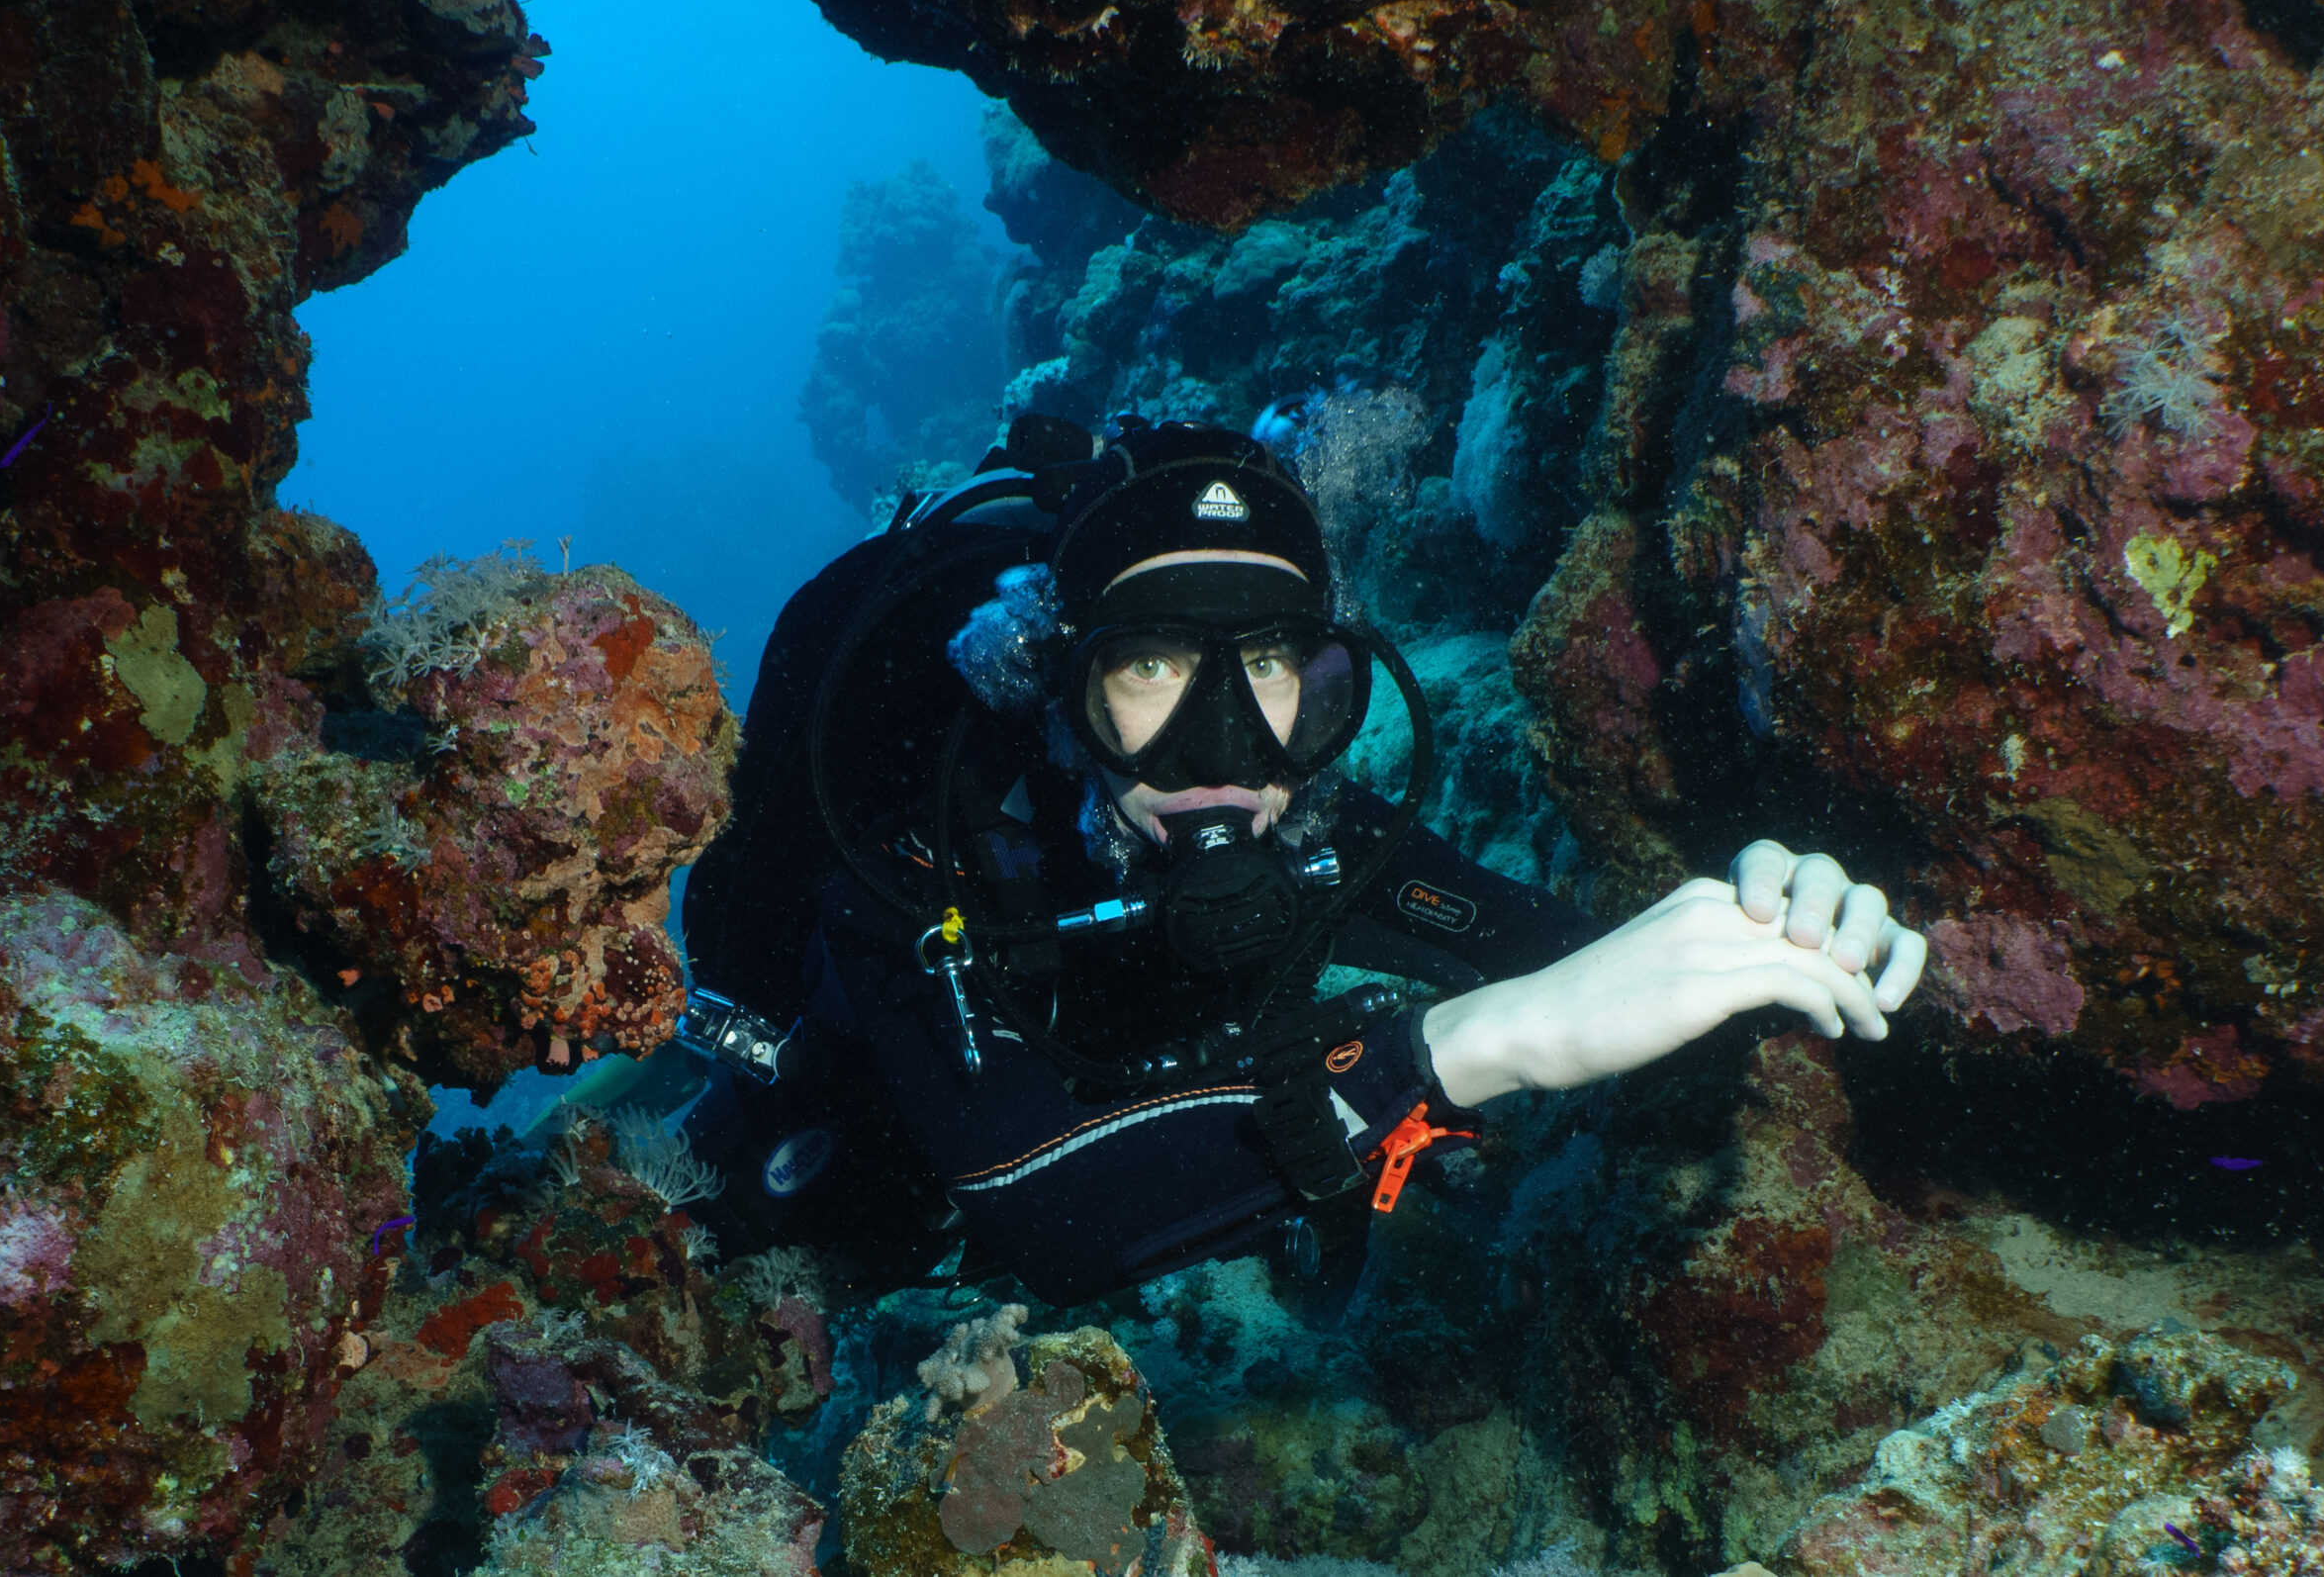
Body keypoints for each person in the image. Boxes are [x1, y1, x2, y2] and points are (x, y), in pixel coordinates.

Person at [678, 419, 1927, 1306]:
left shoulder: (1311, 817)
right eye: (1150, 669)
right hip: (854, 1172)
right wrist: (1467, 1050)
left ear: (1330, 687)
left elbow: (1572, 964)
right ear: (1061, 692)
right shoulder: (928, 848)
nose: (1222, 750)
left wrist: (1762, 923)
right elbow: (1038, 1209)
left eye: (1270, 670)